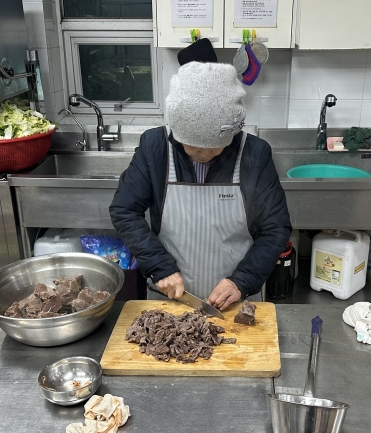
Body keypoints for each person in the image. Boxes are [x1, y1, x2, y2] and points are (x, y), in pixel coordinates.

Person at [110, 62, 291, 310]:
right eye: (193, 146)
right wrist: (159, 266)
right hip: (170, 298)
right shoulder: (155, 147)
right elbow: (125, 210)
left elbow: (275, 228)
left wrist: (243, 280)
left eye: (215, 147)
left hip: (235, 301)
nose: (203, 154)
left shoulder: (254, 154)